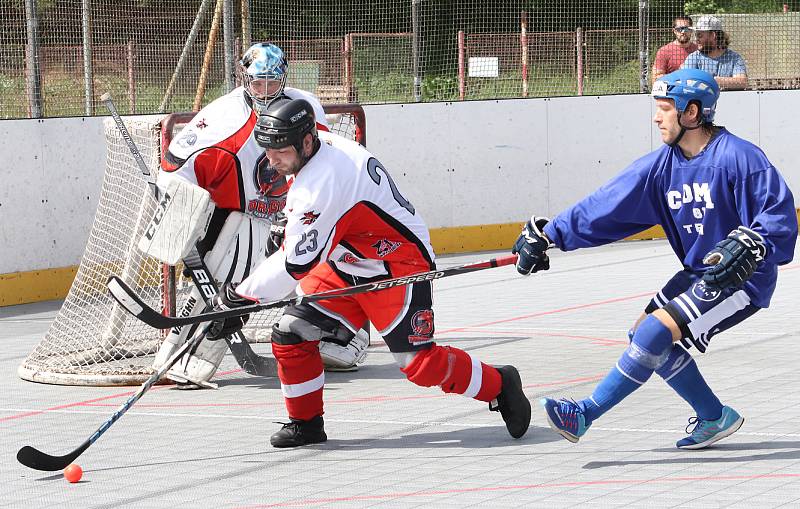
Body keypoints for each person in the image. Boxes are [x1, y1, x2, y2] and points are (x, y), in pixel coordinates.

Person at [205, 97, 532, 447]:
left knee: (418, 364)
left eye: (279, 150)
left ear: (305, 141)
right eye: (266, 150)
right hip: (347, 261)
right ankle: (306, 423)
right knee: (293, 330)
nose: (270, 160)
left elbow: (294, 265)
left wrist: (237, 300)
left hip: (396, 262)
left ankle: (500, 384)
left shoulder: (322, 184)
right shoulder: (319, 147)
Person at [512, 69, 796, 449]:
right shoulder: (660, 167)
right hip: (699, 272)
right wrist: (550, 235)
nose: (656, 117)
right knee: (642, 334)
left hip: (744, 279)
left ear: (692, 113)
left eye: (665, 108)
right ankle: (714, 416)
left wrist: (753, 240)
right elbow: (605, 205)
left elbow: (778, 217)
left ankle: (585, 414)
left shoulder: (740, 158)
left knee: (652, 334)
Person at [153, 43, 369, 388]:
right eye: (258, 83)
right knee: (229, 281)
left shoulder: (305, 106)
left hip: (289, 212)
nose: (265, 91)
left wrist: (305, 209)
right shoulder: (221, 117)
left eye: (272, 82)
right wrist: (181, 212)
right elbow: (174, 166)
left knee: (329, 263)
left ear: (283, 78)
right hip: (236, 217)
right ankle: (189, 358)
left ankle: (337, 339)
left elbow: (321, 162)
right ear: (245, 80)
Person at [681, 15, 748, 90]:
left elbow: (742, 82)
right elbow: (686, 82)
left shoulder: (734, 58)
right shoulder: (693, 58)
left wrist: (714, 81)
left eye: (699, 35)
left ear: (713, 35)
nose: (696, 39)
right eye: (696, 35)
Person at [652, 15, 697, 83]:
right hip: (672, 91)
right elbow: (656, 78)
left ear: (691, 31)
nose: (683, 32)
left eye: (686, 29)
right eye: (679, 29)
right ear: (674, 31)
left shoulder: (698, 50)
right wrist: (677, 79)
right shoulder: (664, 51)